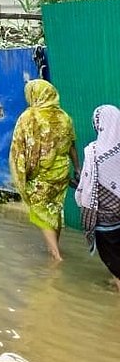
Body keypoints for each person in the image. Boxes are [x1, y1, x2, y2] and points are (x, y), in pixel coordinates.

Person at [9, 79, 80, 261]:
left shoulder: (29, 117)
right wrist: (77, 168)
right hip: (61, 171)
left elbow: (19, 147)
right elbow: (72, 145)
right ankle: (54, 248)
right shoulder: (65, 117)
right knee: (55, 209)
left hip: (41, 173)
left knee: (40, 208)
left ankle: (56, 255)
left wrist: (21, 172)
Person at [75, 104, 120, 291]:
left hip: (106, 220)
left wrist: (80, 195)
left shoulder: (94, 152)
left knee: (112, 256)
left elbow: (87, 186)